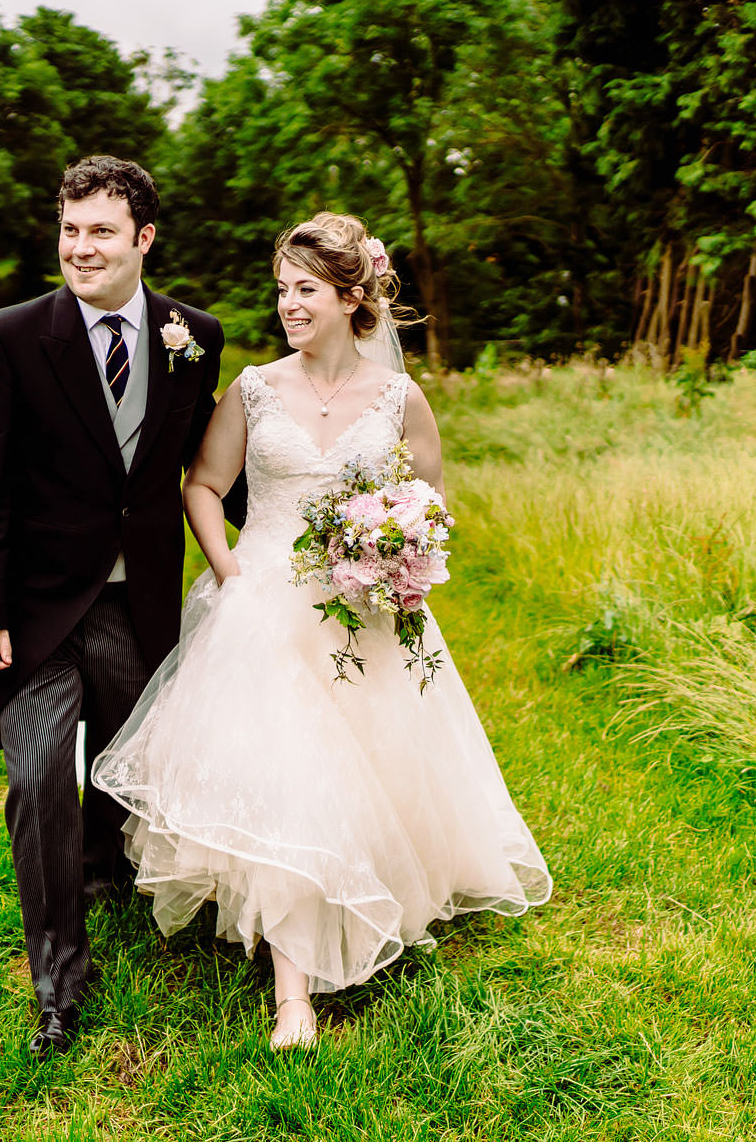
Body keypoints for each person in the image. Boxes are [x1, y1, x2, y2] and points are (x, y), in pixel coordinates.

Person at [91, 213, 552, 1050]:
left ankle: (373, 892)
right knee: (286, 775)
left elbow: (431, 502)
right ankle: (292, 996)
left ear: (350, 297)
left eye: (304, 290)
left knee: (372, 773)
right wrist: (233, 572)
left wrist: (399, 555)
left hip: (366, 610)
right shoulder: (256, 388)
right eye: (281, 290)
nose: (287, 306)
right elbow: (204, 485)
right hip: (264, 600)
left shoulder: (400, 397)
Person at [0, 155, 230, 1058]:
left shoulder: (194, 333)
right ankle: (58, 981)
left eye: (102, 230)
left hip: (136, 598)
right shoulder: (9, 334)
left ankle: (109, 873)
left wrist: (280, 554)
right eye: (70, 229)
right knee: (39, 780)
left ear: (144, 238)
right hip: (34, 609)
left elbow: (206, 464)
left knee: (127, 763)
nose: (81, 247)